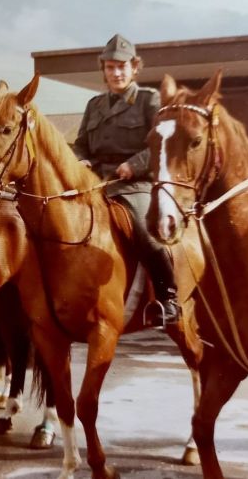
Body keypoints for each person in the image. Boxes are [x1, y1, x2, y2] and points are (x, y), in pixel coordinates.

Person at [73, 34, 179, 328]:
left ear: (135, 68)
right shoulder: (94, 104)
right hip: (95, 182)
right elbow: (81, 143)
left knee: (146, 232)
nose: (116, 73)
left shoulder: (149, 100)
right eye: (110, 67)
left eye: (122, 67)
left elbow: (162, 143)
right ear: (104, 70)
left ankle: (169, 297)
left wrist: (134, 164)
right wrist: (80, 160)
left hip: (135, 184)